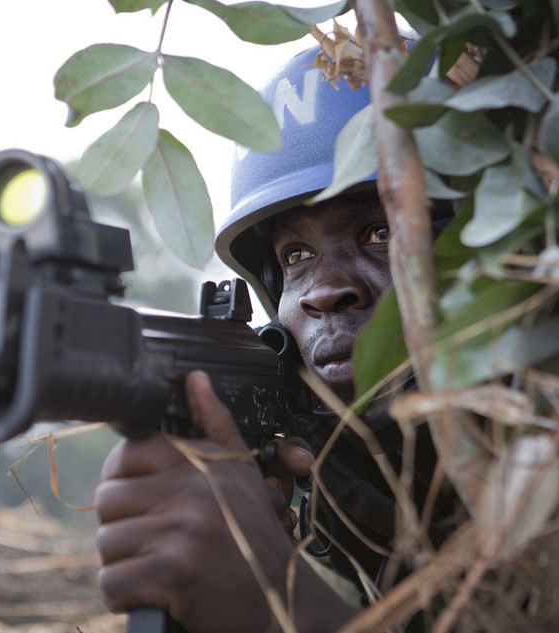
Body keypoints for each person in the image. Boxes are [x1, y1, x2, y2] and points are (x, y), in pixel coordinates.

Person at [94, 47, 457, 633]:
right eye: (297, 256)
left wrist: (274, 599)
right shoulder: (330, 520)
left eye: (380, 231)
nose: (325, 290)